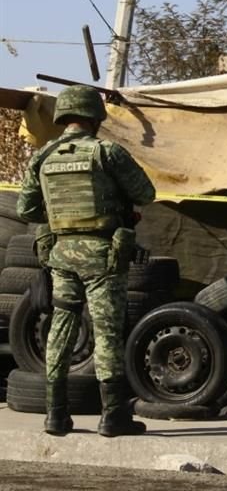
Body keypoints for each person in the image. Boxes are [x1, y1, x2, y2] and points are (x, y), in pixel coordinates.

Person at [17, 85, 156, 437]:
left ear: (64, 116)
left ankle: (56, 415)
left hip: (61, 255)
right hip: (102, 256)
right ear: (94, 117)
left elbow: (27, 209)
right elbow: (146, 193)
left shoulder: (44, 156)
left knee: (60, 327)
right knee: (107, 332)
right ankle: (112, 417)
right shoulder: (106, 152)